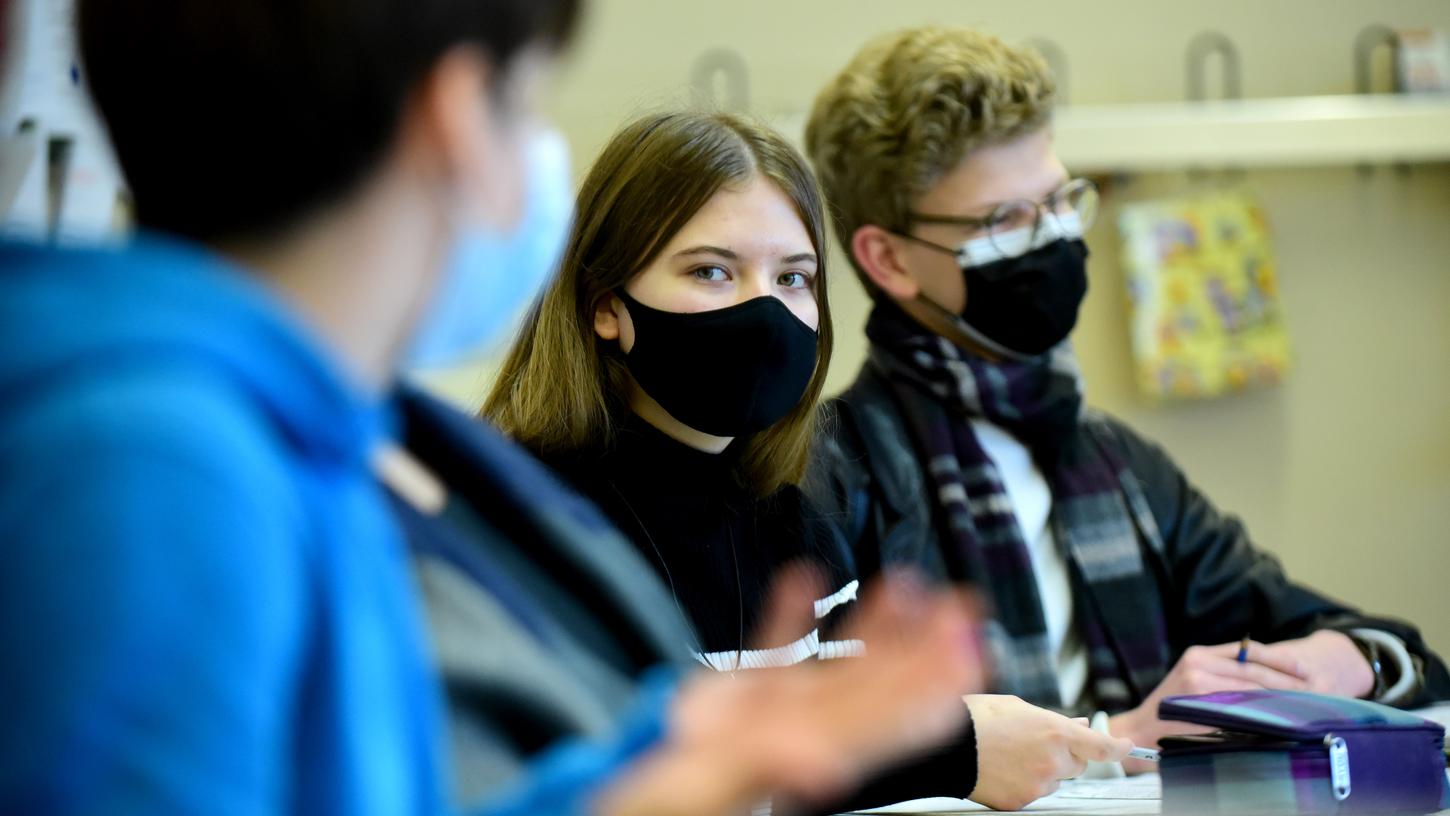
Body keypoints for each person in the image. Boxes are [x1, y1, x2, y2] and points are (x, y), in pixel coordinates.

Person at [0, 1, 985, 812]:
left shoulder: (323, 445)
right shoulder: (157, 465)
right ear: (459, 116)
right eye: (527, 107)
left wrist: (685, 770)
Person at [801, 23, 1450, 775]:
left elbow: (1398, 650)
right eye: (1005, 221)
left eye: (1061, 201)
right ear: (888, 259)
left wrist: (1342, 661)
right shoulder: (828, 479)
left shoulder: (1118, 463)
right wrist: (1117, 738)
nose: (1052, 239)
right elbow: (816, 762)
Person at [482, 109, 1131, 812]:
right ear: (606, 307)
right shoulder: (533, 529)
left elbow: (832, 759)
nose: (763, 313)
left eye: (793, 278)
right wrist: (958, 751)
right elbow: (607, 781)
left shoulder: (797, 520)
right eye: (712, 272)